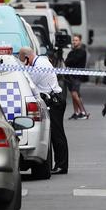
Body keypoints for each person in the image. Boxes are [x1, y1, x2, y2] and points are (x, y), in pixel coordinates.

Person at [18, 47, 69, 175]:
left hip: (54, 100)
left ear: (27, 58)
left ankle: (62, 166)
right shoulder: (40, 60)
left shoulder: (38, 67)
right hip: (54, 99)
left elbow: (29, 84)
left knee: (57, 134)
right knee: (54, 134)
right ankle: (59, 164)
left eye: (23, 61)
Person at [65, 34, 89, 120]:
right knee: (74, 94)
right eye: (73, 40)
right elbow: (66, 62)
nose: (74, 42)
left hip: (77, 75)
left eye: (76, 40)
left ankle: (83, 112)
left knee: (75, 93)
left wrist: (70, 61)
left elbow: (74, 61)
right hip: (70, 75)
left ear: (80, 41)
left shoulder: (82, 51)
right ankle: (76, 112)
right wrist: (69, 61)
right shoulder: (72, 52)